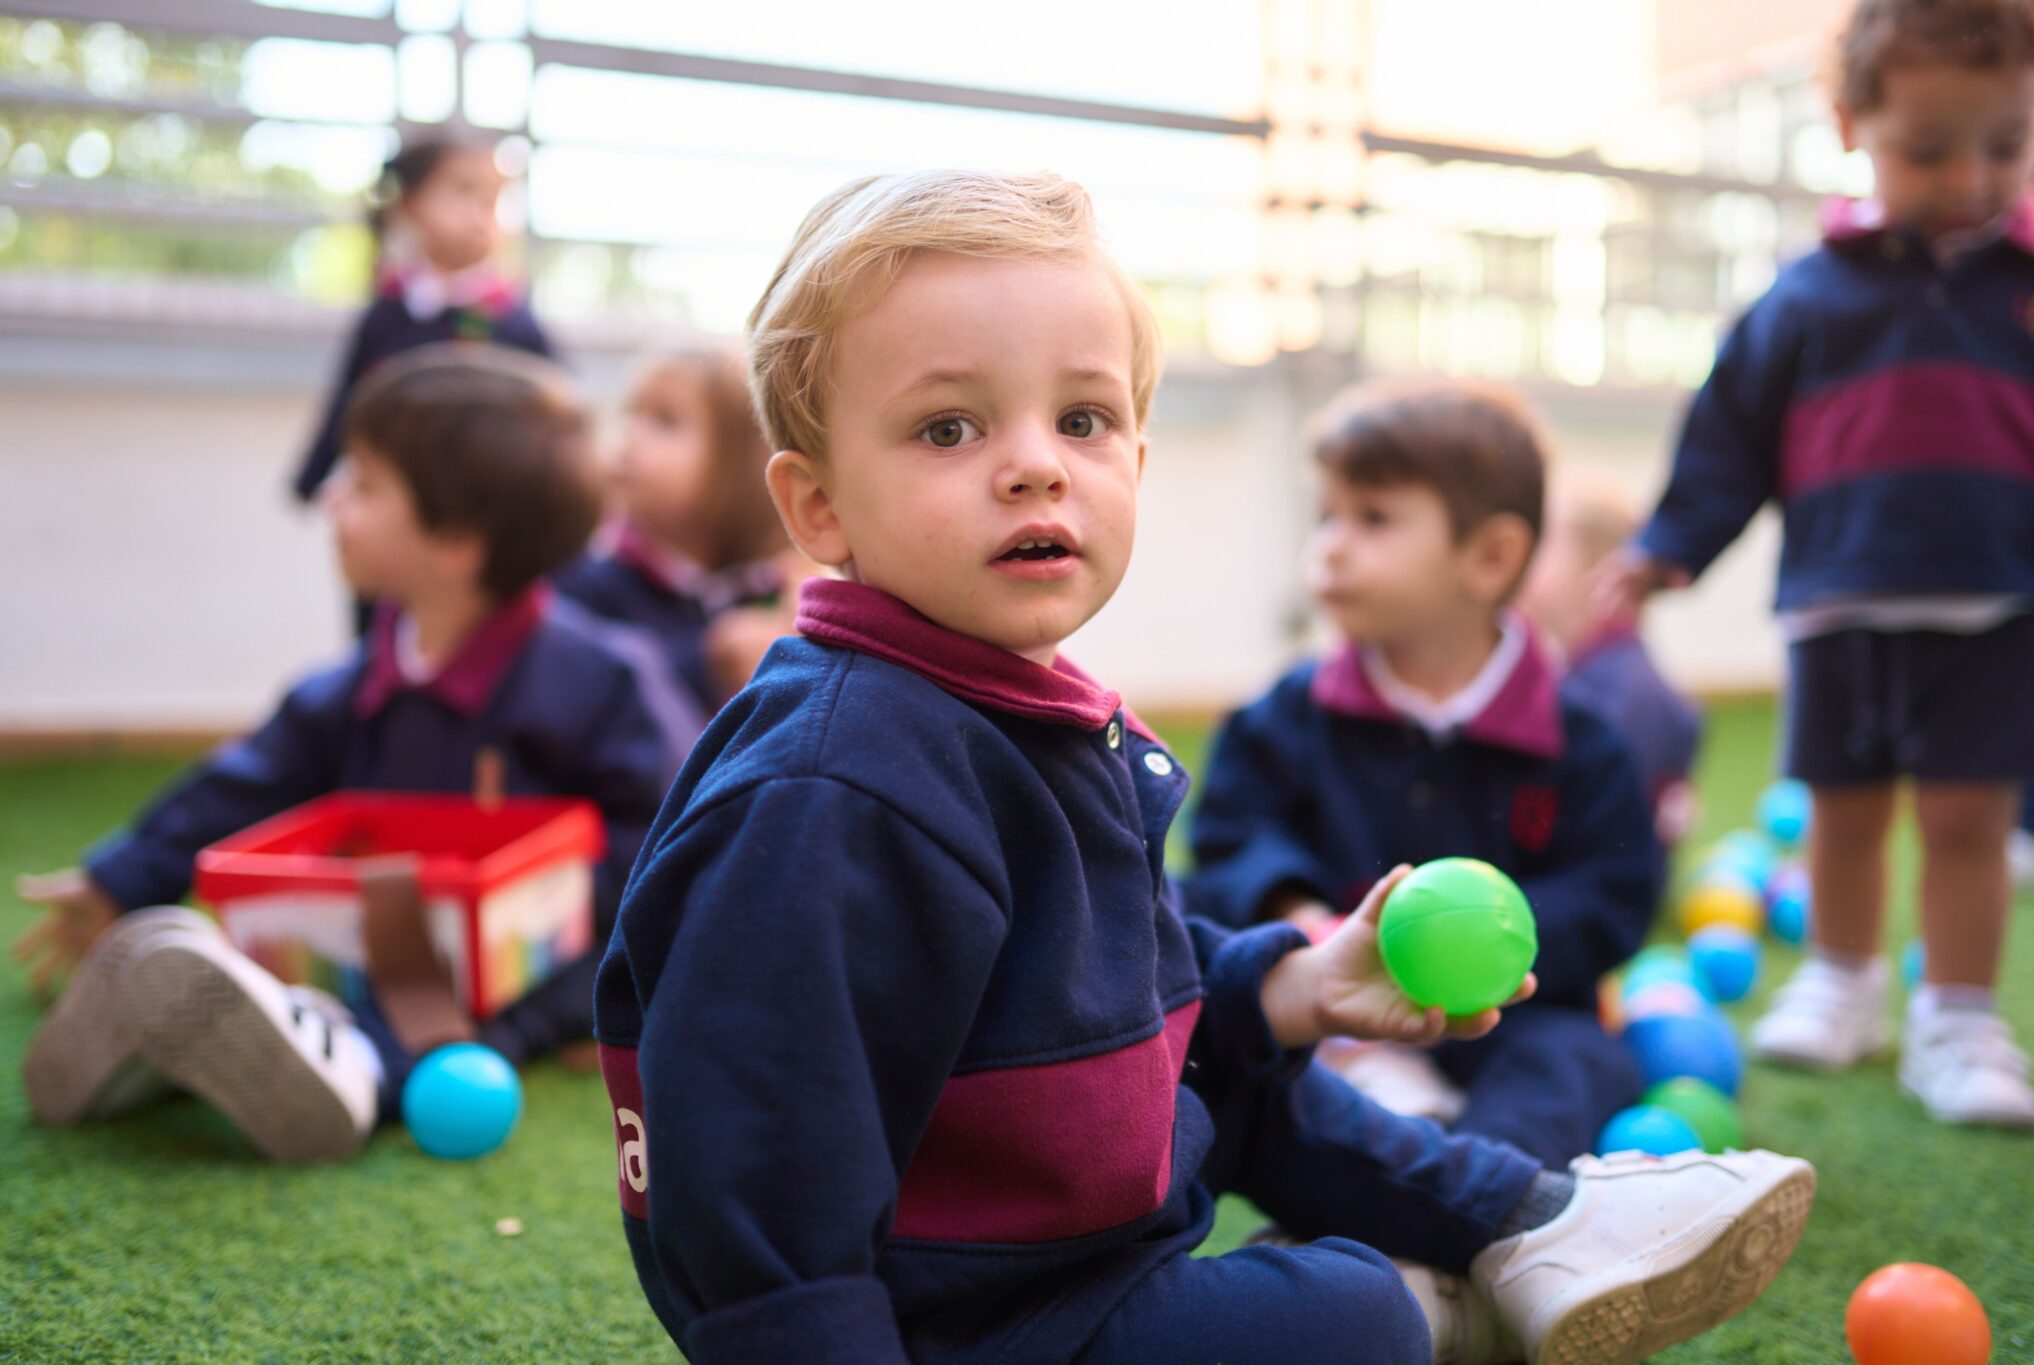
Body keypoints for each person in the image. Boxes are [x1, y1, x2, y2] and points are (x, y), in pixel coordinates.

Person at [593, 168, 1813, 1365]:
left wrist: (1289, 986)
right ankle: (1444, 1291)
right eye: (947, 427)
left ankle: (1525, 1223)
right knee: (1350, 1312)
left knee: (1257, 1087)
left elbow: (1118, 988)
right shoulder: (832, 786)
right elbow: (753, 1170)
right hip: (975, 1321)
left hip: (1065, 1229)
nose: (1035, 465)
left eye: (1081, 419)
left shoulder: (1007, 709)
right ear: (818, 509)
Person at [17, 347, 696, 1161]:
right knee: (305, 958)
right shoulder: (354, 682)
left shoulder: (601, 682)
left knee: (448, 1011)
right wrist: (118, 876)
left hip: (538, 954)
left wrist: (617, 995)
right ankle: (195, 1036)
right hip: (377, 934)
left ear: (455, 542)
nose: (333, 496)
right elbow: (248, 780)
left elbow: (666, 848)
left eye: (365, 484)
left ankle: (358, 1073)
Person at [1602, 0, 2034, 1129]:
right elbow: (1727, 438)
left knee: (1967, 824)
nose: (1969, 177)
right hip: (1837, 607)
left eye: (2005, 143)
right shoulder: (1806, 298)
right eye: (1927, 148)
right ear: (1851, 123)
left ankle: (1953, 1017)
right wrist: (1666, 546)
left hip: (1996, 606)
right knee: (1841, 814)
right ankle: (1841, 980)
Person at [1185, 380, 1663, 1169]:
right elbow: (1233, 833)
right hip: (1336, 999)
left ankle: (1483, 1191)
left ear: (1490, 557)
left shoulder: (1579, 740)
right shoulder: (1289, 713)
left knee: (1577, 1060)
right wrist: (1299, 914)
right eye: (1327, 517)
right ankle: (1373, 1185)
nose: (1331, 545)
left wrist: (1487, 950)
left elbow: (1616, 889)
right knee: (1246, 1044)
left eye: (1372, 518)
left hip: (1510, 1012)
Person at [291, 137, 554, 509]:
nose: (479, 214)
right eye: (463, 193)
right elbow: (348, 400)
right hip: (394, 501)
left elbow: (558, 414)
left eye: (490, 201)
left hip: (482, 507)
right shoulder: (387, 314)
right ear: (410, 205)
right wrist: (311, 480)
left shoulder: (511, 320)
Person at [555, 347, 805, 711]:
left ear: (741, 462)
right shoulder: (585, 586)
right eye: (630, 413)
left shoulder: (777, 591)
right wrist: (707, 666)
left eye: (664, 421)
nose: (628, 436)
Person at [1520, 465, 1702, 851]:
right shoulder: (1586, 673)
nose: (1520, 562)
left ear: (1603, 574)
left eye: (1541, 548)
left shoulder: (1624, 694)